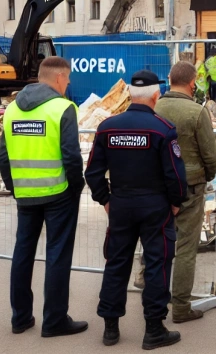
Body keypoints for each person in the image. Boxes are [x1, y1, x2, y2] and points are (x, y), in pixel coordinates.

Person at [85, 70, 188, 350]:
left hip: (120, 204)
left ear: (130, 94)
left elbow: (93, 171)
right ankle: (154, 329)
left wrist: (106, 199)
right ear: (156, 95)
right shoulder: (163, 129)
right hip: (155, 206)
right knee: (156, 265)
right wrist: (177, 202)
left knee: (116, 263)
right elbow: (175, 175)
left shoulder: (108, 127)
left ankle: (110, 328)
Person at [0, 57, 88, 338]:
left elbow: (3, 157)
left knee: (22, 254)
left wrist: (16, 186)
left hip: (26, 195)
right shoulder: (63, 108)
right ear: (59, 78)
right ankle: (54, 320)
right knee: (57, 255)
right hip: (59, 194)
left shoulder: (12, 109)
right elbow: (71, 156)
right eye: (68, 79)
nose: (69, 84)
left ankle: (20, 318)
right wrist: (77, 186)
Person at [155, 62, 216, 324]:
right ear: (193, 83)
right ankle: (181, 306)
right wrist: (205, 177)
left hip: (158, 187)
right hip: (190, 187)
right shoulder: (196, 112)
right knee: (185, 248)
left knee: (157, 242)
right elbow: (211, 156)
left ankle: (152, 292)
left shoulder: (155, 107)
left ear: (170, 79)